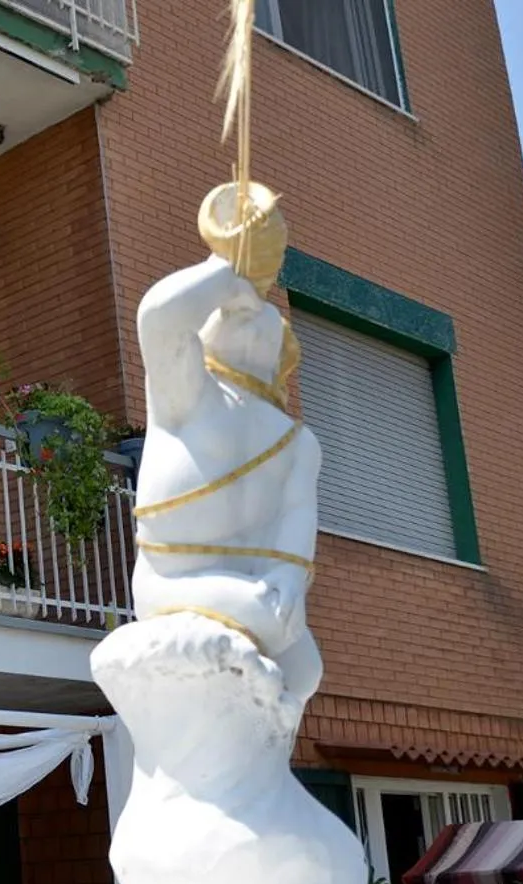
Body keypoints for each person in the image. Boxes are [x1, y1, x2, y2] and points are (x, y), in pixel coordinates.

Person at [130, 182, 322, 705]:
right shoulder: (190, 390)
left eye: (263, 318)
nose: (250, 313)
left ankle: (263, 761)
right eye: (234, 312)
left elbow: (298, 513)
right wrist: (226, 270)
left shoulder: (297, 440)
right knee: (265, 623)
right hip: (172, 575)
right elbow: (159, 319)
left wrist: (288, 569)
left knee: (304, 666)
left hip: (255, 573)